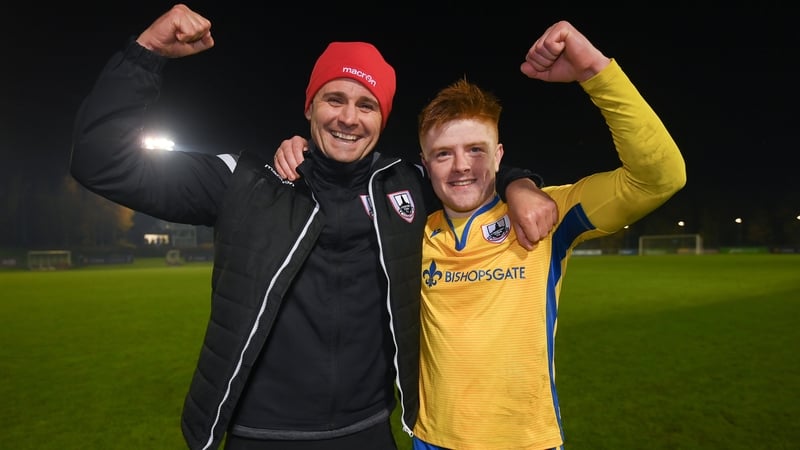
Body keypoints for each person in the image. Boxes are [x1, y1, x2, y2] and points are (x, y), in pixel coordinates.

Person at [69, 4, 557, 450]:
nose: (348, 117)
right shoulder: (244, 182)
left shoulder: (403, 187)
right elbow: (99, 161)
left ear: (382, 120)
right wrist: (146, 53)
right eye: (334, 99)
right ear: (309, 107)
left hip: (368, 432)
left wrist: (519, 184)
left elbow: (470, 176)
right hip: (261, 435)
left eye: (366, 105)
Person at [274, 19, 686, 450]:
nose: (461, 166)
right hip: (431, 442)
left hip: (527, 442)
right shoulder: (407, 229)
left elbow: (660, 178)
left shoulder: (548, 215)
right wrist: (303, 151)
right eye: (443, 154)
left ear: (499, 154)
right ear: (424, 162)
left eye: (475, 150)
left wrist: (594, 72)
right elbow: (343, 188)